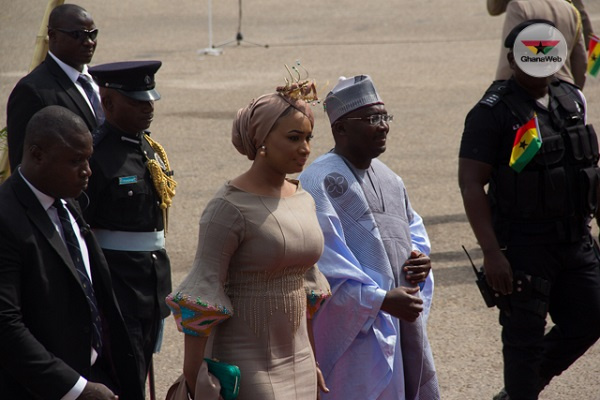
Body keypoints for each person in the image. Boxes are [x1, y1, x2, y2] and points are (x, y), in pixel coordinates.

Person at [458, 20, 600, 400]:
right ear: (512, 60)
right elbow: (472, 184)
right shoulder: (492, 112)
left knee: (591, 317)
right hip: (523, 247)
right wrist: (491, 253)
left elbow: (585, 168)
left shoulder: (571, 98)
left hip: (575, 240)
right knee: (523, 341)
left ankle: (522, 390)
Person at [165, 78, 331, 399]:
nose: (305, 148)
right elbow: (201, 297)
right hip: (247, 364)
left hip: (301, 359)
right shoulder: (228, 207)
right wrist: (194, 379)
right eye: (294, 137)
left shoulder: (303, 198)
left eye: (309, 137)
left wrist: (313, 360)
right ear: (261, 140)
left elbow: (308, 291)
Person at [299, 75, 439, 400]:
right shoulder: (318, 181)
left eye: (385, 117)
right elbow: (323, 267)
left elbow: (413, 232)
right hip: (357, 334)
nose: (383, 126)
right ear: (340, 129)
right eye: (371, 119)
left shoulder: (391, 179)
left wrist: (419, 261)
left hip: (400, 320)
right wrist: (379, 300)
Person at [0, 105, 143, 400]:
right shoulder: (6, 218)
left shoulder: (66, 201)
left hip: (95, 375)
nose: (88, 171)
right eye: (76, 161)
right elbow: (5, 327)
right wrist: (75, 389)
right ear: (37, 155)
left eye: (88, 159)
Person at [82, 60, 175, 394]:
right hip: (117, 285)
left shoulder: (148, 146)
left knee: (142, 366)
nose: (148, 107)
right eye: (137, 101)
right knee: (124, 379)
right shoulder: (94, 155)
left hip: (149, 282)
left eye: (149, 99)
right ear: (108, 103)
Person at [6, 4, 103, 171]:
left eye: (92, 34)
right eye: (77, 35)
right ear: (53, 35)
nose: (88, 42)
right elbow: (23, 165)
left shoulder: (99, 81)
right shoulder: (32, 91)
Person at [487, 0, 588, 88]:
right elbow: (580, 64)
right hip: (564, 92)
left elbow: (508, 64)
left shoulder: (519, 7)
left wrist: (498, 93)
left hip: (528, 94)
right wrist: (574, 95)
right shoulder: (570, 9)